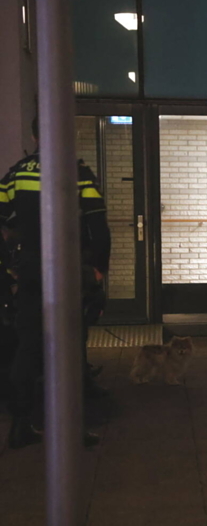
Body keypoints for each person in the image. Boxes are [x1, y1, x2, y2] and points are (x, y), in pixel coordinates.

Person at [0, 118, 109, 449]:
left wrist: (9, 267)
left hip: (32, 270)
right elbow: (98, 226)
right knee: (70, 350)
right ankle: (71, 428)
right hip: (68, 271)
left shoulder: (17, 173)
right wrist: (99, 269)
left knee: (30, 346)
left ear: (33, 135)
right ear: (67, 134)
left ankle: (20, 424)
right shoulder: (78, 174)